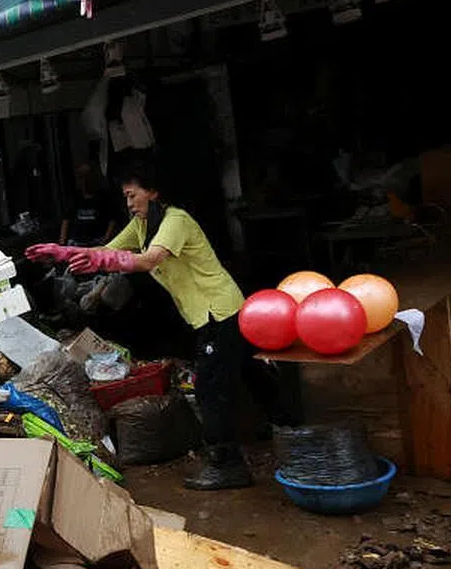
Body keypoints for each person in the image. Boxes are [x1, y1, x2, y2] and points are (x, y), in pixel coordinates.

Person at [27, 163, 286, 490]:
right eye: (125, 197)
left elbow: (149, 260)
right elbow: (108, 251)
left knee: (210, 386)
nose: (129, 204)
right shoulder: (142, 224)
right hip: (211, 312)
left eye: (133, 195)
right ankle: (289, 425)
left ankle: (228, 464)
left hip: (218, 310)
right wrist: (62, 252)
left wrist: (104, 261)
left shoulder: (175, 220)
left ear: (153, 192)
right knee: (250, 371)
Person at [59, 163, 117, 247]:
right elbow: (66, 220)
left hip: (96, 242)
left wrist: (106, 240)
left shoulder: (104, 197)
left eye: (88, 176)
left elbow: (112, 220)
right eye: (82, 177)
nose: (85, 181)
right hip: (76, 242)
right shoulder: (75, 197)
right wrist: (62, 242)